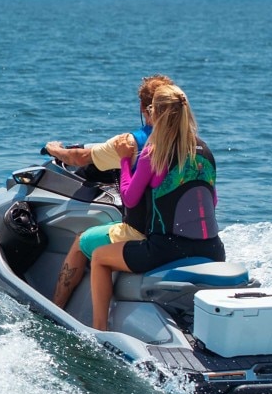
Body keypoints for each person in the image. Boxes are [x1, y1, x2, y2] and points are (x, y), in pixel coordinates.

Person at [89, 83, 224, 331]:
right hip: (213, 249)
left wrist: (124, 160)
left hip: (166, 248)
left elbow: (129, 198)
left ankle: (99, 330)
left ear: (157, 113)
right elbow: (212, 201)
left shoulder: (154, 152)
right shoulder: (205, 151)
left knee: (99, 258)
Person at [47, 75, 173, 309]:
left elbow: (79, 158)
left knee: (81, 242)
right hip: (175, 234)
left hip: (143, 234)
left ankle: (56, 309)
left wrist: (54, 149)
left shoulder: (131, 142)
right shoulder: (186, 141)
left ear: (143, 108)